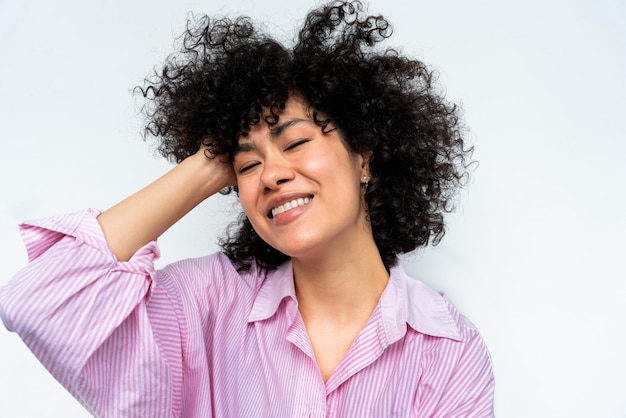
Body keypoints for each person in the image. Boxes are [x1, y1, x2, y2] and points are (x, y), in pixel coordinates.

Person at [0, 1, 494, 416]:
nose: (273, 174)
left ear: (362, 155)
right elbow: (40, 301)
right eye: (248, 164)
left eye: (296, 142)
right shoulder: (207, 302)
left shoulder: (448, 350)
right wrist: (208, 163)